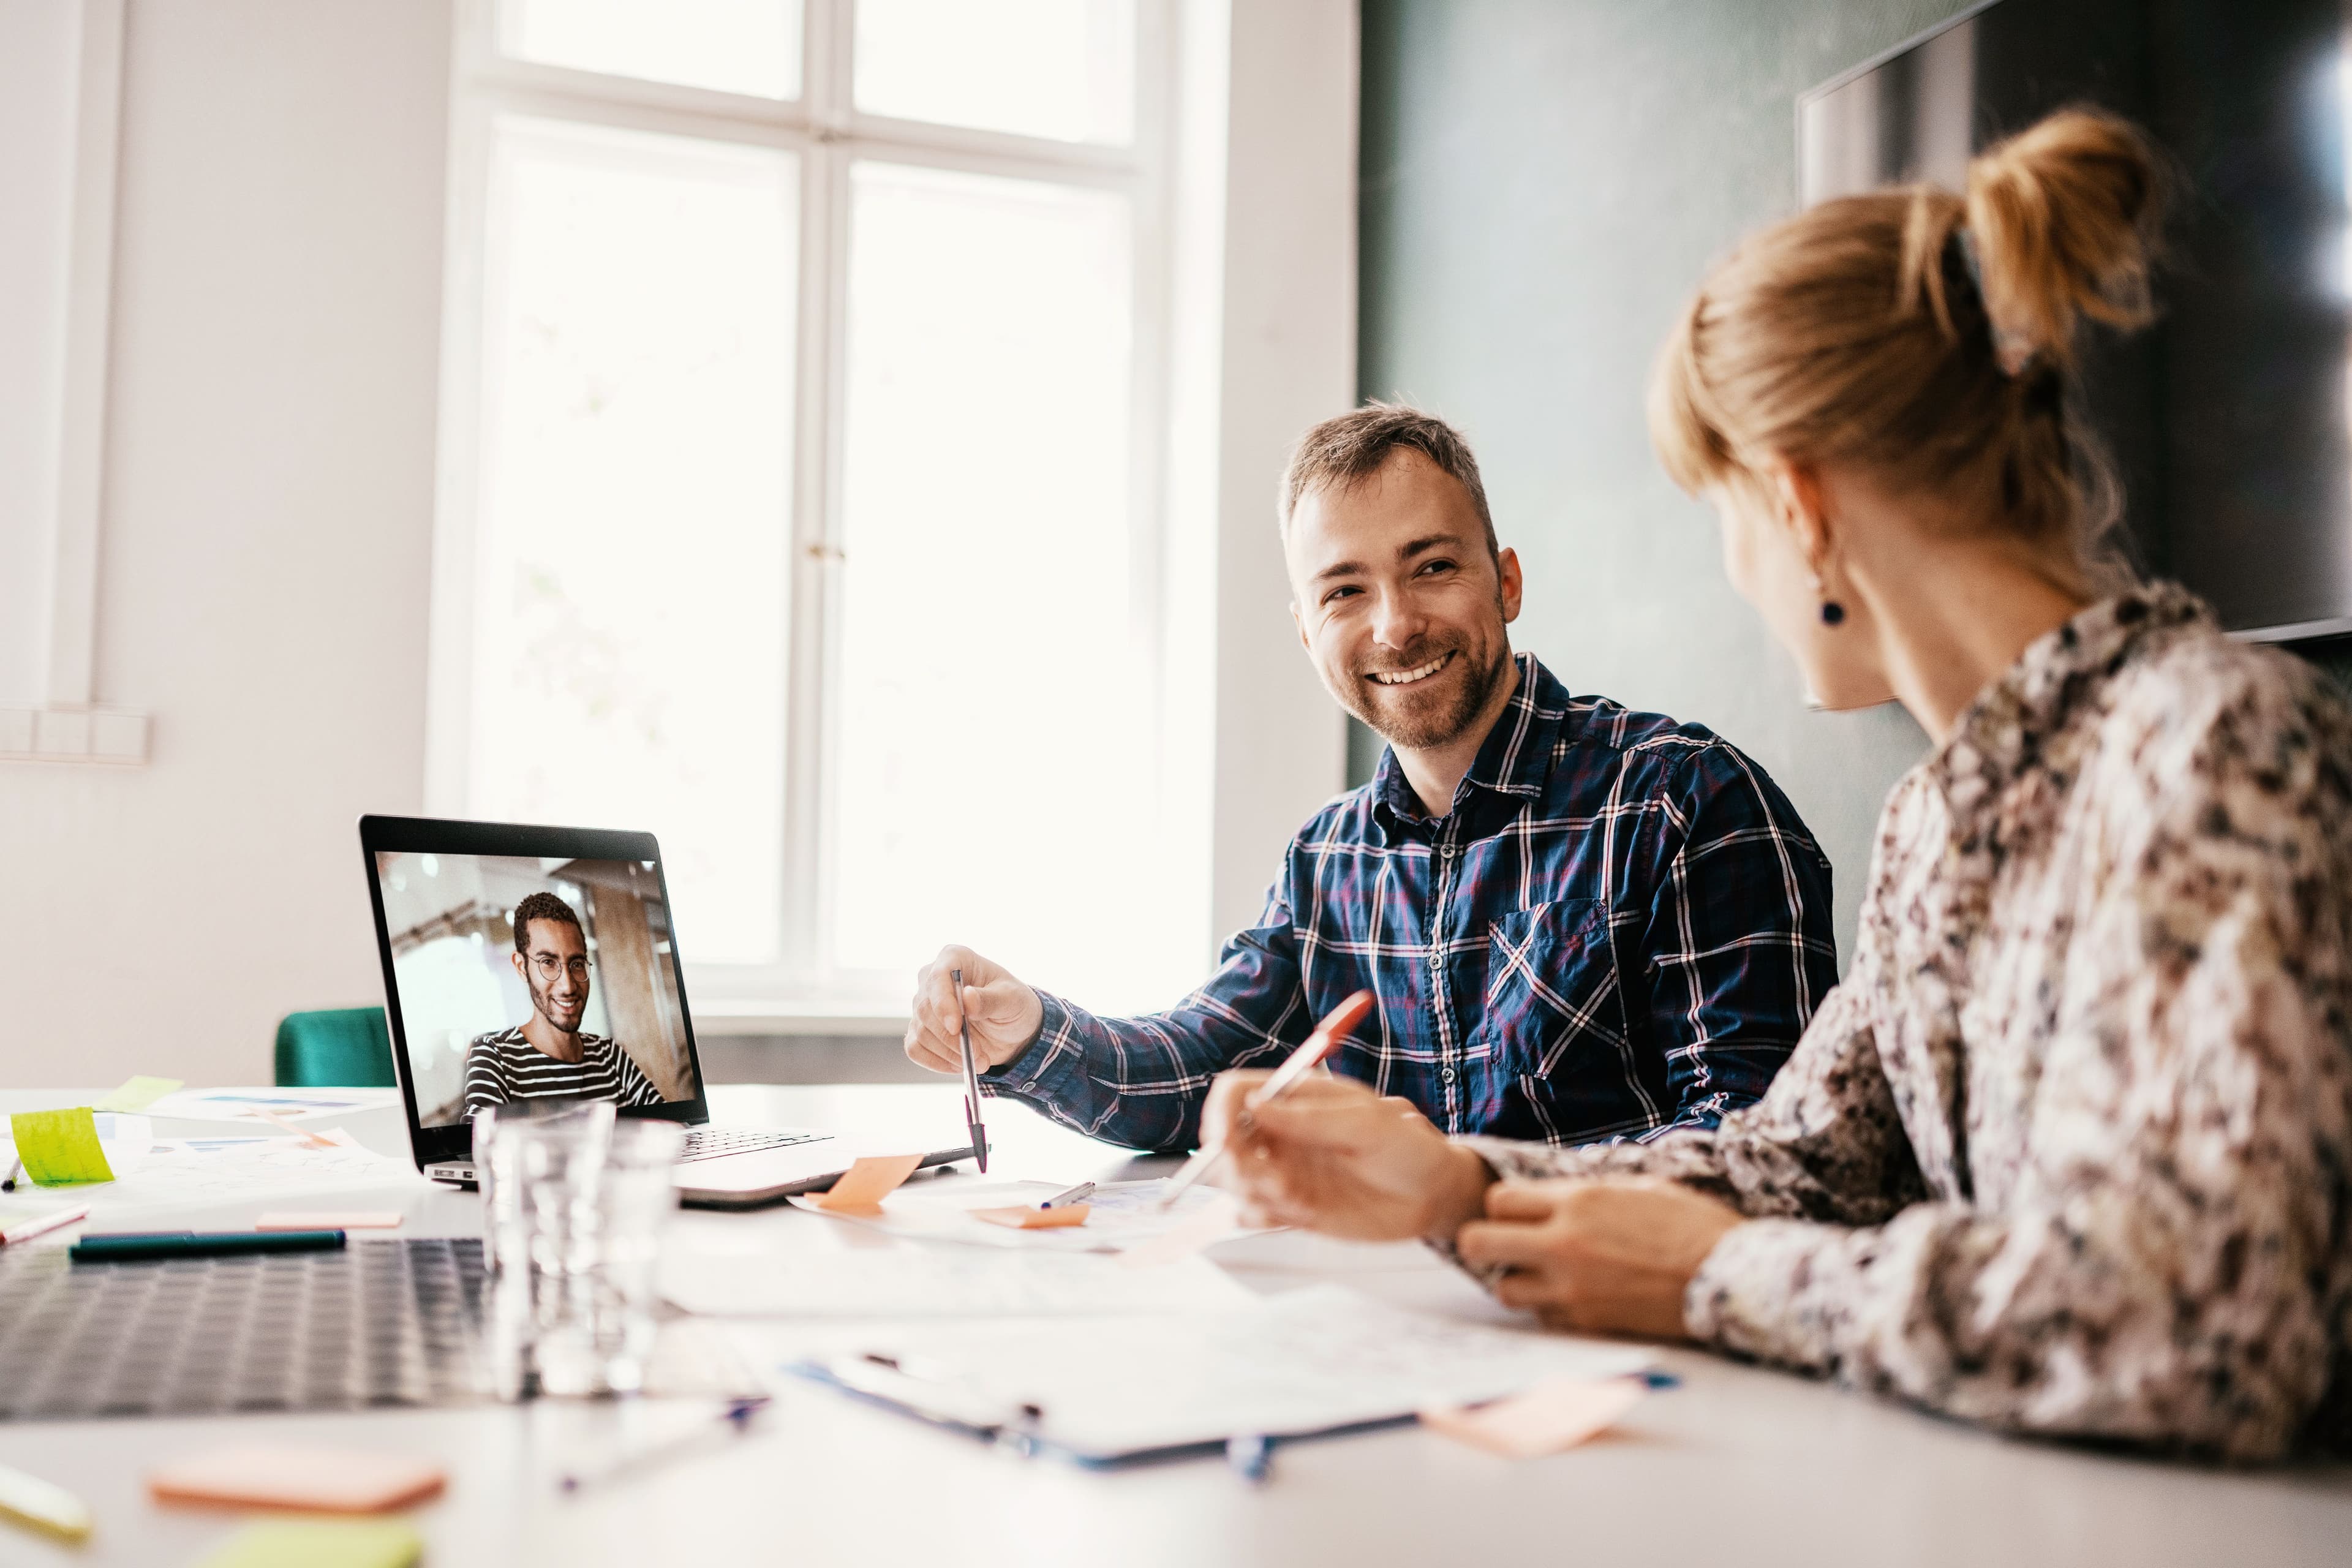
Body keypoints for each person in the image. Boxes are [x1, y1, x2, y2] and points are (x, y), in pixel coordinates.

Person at [1203, 108, 2352, 1463]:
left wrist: (1716, 1276)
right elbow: (1803, 1160)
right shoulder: (1941, 816)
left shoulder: (2214, 744)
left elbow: (2200, 1327)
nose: (1740, 574)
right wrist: (1456, 1180)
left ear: (1798, 506)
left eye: (1727, 515)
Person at [904, 404, 1839, 1153]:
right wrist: (1026, 1032)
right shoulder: (1327, 861)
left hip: (1619, 1350)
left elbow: (1759, 1146)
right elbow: (1194, 1076)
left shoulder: (1685, 802)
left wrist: (1463, 1186)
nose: (1394, 626)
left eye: (1431, 567)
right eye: (1345, 591)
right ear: (1307, 631)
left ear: (1506, 583)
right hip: (1381, 1339)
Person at [464, 891, 663, 1114]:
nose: (568, 986)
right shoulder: (495, 1058)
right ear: (522, 967)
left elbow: (672, 1129)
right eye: (548, 962)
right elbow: (479, 1146)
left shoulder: (610, 1057)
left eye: (577, 964)